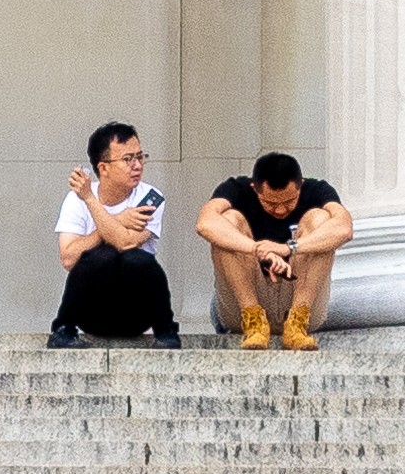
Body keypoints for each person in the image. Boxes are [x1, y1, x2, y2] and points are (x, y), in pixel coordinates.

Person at [196, 150, 352, 350]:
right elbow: (204, 224)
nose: (280, 210)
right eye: (270, 203)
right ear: (254, 187)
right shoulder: (236, 189)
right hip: (245, 300)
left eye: (289, 202)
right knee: (227, 221)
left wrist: (289, 248)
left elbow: (344, 229)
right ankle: (253, 320)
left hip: (299, 294)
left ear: (300, 184)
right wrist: (257, 249)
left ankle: (297, 323)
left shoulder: (317, 190)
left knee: (321, 219)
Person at [49, 122, 181, 348]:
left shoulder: (150, 197)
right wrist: (106, 210)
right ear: (104, 167)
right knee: (102, 256)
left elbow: (126, 242)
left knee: (135, 258)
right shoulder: (78, 200)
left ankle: (166, 331)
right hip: (92, 315)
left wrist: (102, 216)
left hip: (137, 314)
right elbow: (69, 258)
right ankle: (62, 330)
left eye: (140, 157)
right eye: (128, 159)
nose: (137, 165)